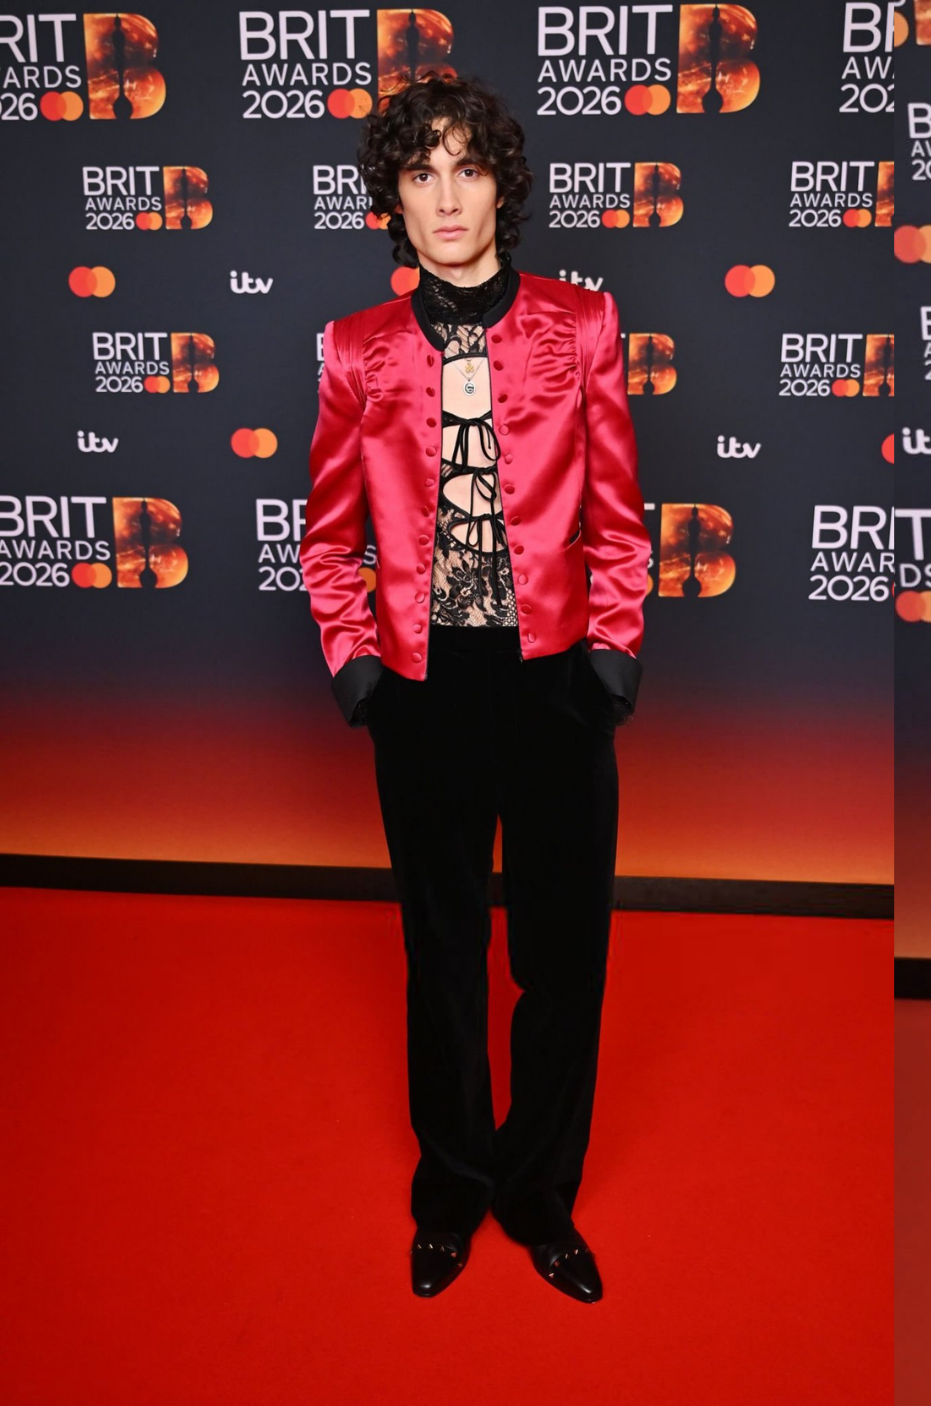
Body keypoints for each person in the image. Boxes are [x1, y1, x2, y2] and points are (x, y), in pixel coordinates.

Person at [302, 75, 651, 1303]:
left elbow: (620, 514)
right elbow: (326, 536)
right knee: (441, 951)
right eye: (421, 173)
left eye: (467, 168)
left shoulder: (583, 323)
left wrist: (609, 659)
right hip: (425, 686)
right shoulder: (356, 347)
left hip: (556, 680)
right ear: (394, 201)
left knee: (563, 954)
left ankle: (540, 1190)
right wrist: (360, 672)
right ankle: (451, 1185)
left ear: (503, 184)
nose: (447, 197)